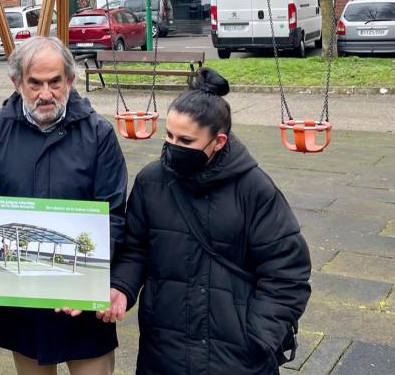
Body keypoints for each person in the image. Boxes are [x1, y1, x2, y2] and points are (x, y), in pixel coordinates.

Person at [102, 67, 312, 375]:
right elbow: (136, 248)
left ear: (218, 141)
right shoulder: (151, 181)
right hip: (164, 346)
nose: (173, 147)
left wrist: (259, 336)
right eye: (169, 135)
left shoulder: (254, 189)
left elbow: (287, 270)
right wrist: (121, 287)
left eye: (186, 140)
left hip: (236, 354)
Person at [0, 36, 128, 374]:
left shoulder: (98, 133)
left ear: (70, 80)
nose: (46, 94)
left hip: (81, 300)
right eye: (35, 83)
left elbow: (114, 216)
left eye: (55, 82)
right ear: (17, 83)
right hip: (21, 299)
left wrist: (88, 281)